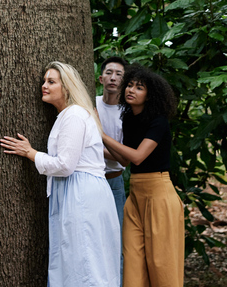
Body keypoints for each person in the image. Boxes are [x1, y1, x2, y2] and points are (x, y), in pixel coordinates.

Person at [0, 61, 120, 287]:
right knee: (78, 259)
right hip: (76, 191)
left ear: (66, 87)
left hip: (81, 194)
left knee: (84, 261)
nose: (44, 86)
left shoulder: (74, 114)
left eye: (51, 82)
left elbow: (65, 165)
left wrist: (31, 153)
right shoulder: (68, 115)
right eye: (44, 81)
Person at [101, 65, 184, 287]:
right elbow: (124, 160)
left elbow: (137, 156)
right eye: (129, 85)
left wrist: (102, 135)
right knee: (133, 263)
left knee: (161, 264)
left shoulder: (159, 122)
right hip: (136, 196)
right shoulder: (129, 119)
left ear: (150, 94)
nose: (131, 90)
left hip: (159, 196)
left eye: (139, 87)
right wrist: (92, 146)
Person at [96, 56, 127, 285]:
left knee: (116, 240)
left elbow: (125, 159)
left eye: (119, 74)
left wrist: (95, 145)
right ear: (100, 78)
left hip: (114, 181)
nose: (113, 77)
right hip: (89, 180)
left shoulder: (127, 113)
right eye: (109, 72)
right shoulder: (91, 104)